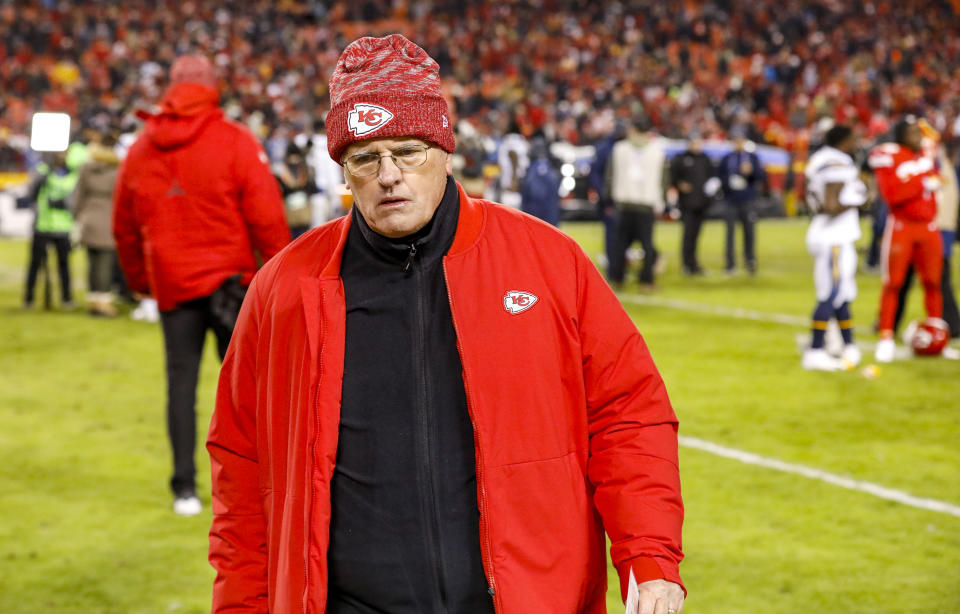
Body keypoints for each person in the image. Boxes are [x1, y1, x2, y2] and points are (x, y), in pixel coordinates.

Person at [207, 34, 685, 614]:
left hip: (526, 597)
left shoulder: (547, 261)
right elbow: (240, 462)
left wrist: (651, 558)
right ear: (344, 169)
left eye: (407, 150)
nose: (389, 175)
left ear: (445, 150)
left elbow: (627, 414)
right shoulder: (283, 288)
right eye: (365, 157)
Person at [113, 54, 289, 516]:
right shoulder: (234, 140)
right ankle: (260, 482)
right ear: (213, 87)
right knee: (248, 389)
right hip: (231, 283)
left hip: (173, 283)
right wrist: (279, 275)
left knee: (181, 387)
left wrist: (141, 283)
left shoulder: (141, 149)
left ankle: (184, 489)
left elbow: (123, 227)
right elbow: (266, 215)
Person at [867, 115, 944, 362]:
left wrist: (927, 174)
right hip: (902, 226)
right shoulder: (889, 155)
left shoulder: (925, 155)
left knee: (933, 282)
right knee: (893, 283)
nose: (917, 137)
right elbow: (893, 194)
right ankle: (886, 336)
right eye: (911, 132)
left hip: (928, 226)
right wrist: (920, 179)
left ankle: (936, 335)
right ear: (900, 135)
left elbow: (936, 182)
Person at [801, 125, 869, 371]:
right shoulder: (835, 161)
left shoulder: (819, 158)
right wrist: (858, 199)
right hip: (834, 237)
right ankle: (815, 350)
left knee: (842, 293)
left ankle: (849, 345)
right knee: (830, 293)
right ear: (845, 140)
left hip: (830, 235)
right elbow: (831, 205)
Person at [22, 144, 85, 309]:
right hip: (42, 225)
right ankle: (29, 298)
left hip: (63, 227)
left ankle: (66, 298)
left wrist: (65, 205)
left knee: (64, 266)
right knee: (35, 264)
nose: (61, 156)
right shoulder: (42, 171)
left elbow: (77, 198)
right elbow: (31, 194)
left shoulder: (74, 174)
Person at [607, 117, 667, 289]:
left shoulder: (619, 149)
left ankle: (617, 278)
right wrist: (661, 201)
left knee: (620, 244)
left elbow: (610, 175)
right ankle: (646, 280)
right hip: (646, 204)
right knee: (647, 245)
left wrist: (609, 198)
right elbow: (663, 180)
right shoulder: (656, 151)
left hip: (624, 203)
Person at [73, 130, 121, 316]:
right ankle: (103, 304)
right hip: (108, 220)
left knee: (92, 263)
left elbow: (78, 196)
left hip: (89, 219)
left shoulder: (86, 168)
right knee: (105, 265)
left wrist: (78, 217)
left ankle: (92, 301)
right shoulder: (116, 171)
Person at [718, 126, 766, 274]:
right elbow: (720, 177)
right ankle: (730, 264)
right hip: (731, 200)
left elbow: (761, 176)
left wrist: (751, 171)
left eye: (740, 140)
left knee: (749, 232)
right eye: (735, 140)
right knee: (730, 233)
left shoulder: (752, 158)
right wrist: (729, 182)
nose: (738, 143)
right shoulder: (727, 158)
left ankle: (750, 261)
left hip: (747, 200)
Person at [670, 133, 718, 275]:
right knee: (688, 235)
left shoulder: (705, 158)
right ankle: (686, 264)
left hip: (702, 203)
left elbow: (712, 177)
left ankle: (694, 264)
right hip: (687, 204)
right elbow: (672, 177)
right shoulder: (681, 158)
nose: (697, 146)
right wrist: (679, 184)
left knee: (696, 235)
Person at [274, 143, 318, 239]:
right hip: (304, 210)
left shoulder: (282, 170)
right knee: (305, 236)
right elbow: (312, 188)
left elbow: (280, 192)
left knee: (293, 237)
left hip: (289, 212)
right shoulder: (304, 168)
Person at [519, 136, 561, 226]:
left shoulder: (531, 170)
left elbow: (529, 193)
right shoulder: (551, 168)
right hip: (550, 214)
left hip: (534, 215)